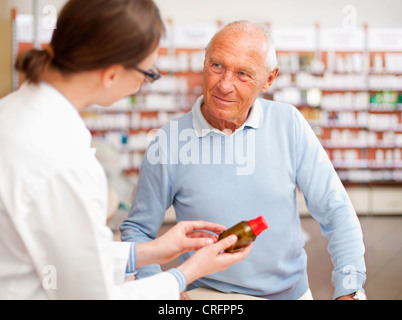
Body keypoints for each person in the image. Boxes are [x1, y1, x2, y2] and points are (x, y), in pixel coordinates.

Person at [0, 0, 251, 300]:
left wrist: (151, 251)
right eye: (148, 72)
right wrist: (185, 274)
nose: (145, 83)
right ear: (111, 73)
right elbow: (95, 296)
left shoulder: (17, 111)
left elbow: (70, 255)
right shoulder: (61, 158)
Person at [120, 21, 367, 300]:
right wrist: (160, 287)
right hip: (207, 295)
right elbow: (139, 228)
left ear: (269, 79)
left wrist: (350, 287)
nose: (225, 84)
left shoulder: (289, 124)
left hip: (289, 294)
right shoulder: (168, 141)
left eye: (243, 73)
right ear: (204, 63)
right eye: (217, 66)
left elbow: (335, 209)